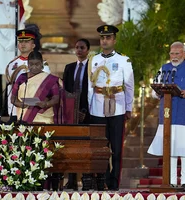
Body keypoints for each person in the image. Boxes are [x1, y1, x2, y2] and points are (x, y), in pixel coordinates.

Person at [147, 41, 185, 192]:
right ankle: (172, 181)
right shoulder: (164, 69)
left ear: (184, 54)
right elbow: (154, 90)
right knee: (171, 148)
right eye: (172, 53)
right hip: (168, 116)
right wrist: (156, 92)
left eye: (177, 53)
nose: (174, 56)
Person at [88, 25, 134, 191]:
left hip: (117, 106)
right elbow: (89, 85)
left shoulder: (123, 60)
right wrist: (89, 106)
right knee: (100, 146)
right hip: (98, 106)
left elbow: (129, 86)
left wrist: (129, 107)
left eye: (108, 37)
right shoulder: (93, 59)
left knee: (116, 146)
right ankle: (103, 180)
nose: (105, 41)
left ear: (114, 40)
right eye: (102, 38)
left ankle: (114, 182)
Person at [63, 38, 91, 190]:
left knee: (85, 146)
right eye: (77, 47)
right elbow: (65, 91)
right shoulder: (69, 67)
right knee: (71, 145)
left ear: (88, 50)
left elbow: (91, 92)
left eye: (82, 47)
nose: (79, 50)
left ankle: (87, 179)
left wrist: (84, 111)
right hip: (71, 112)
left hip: (88, 112)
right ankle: (72, 180)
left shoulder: (92, 68)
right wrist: (71, 111)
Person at [5, 28, 50, 123]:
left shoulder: (42, 64)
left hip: (33, 111)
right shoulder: (12, 64)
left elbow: (46, 87)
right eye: (20, 41)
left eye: (26, 41)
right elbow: (10, 87)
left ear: (33, 45)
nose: (23, 44)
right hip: (14, 109)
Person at [11, 51, 60, 124]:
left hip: (44, 118)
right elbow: (13, 98)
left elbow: (56, 98)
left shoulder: (49, 79)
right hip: (24, 117)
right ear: (28, 64)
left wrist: (46, 104)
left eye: (37, 64)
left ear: (42, 64)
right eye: (31, 64)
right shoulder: (22, 78)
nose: (34, 67)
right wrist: (20, 104)